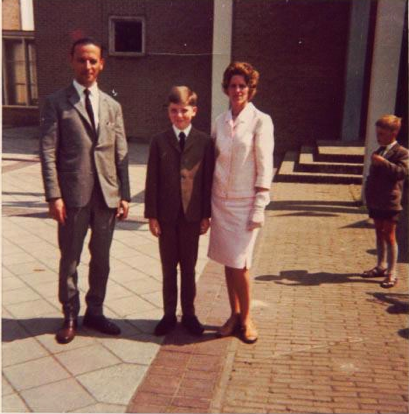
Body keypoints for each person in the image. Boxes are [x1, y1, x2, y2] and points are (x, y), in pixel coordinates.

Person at [40, 37, 131, 344]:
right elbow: (48, 152)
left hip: (106, 196)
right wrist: (54, 196)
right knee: (70, 258)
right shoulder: (56, 102)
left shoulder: (113, 106)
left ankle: (95, 312)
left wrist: (125, 194)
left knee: (102, 259)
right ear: (72, 61)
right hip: (73, 197)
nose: (88, 66)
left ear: (101, 64)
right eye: (82, 60)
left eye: (93, 61)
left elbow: (121, 153)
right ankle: (69, 315)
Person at [208, 62, 274, 343]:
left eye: (242, 86)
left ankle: (247, 319)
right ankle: (233, 314)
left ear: (250, 90)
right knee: (227, 261)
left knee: (241, 263)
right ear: (226, 88)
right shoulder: (219, 121)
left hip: (245, 205)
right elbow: (212, 161)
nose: (237, 90)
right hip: (220, 202)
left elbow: (264, 164)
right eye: (233, 85)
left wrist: (260, 204)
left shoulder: (261, 121)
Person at [144, 86, 214, 336]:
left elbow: (207, 181)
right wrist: (152, 215)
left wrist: (206, 214)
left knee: (189, 266)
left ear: (194, 111)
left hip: (192, 215)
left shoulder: (204, 141)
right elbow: (151, 180)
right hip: (166, 215)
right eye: (174, 111)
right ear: (168, 112)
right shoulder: (158, 141)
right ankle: (168, 314)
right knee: (168, 267)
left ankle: (190, 314)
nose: (179, 116)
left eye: (184, 110)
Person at [362, 115, 408, 288]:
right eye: (377, 133)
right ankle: (381, 266)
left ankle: (392, 272)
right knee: (379, 232)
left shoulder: (402, 152)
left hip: (390, 201)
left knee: (389, 235)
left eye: (381, 134)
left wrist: (384, 163)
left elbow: (402, 173)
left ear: (393, 133)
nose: (378, 137)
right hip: (377, 200)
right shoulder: (379, 150)